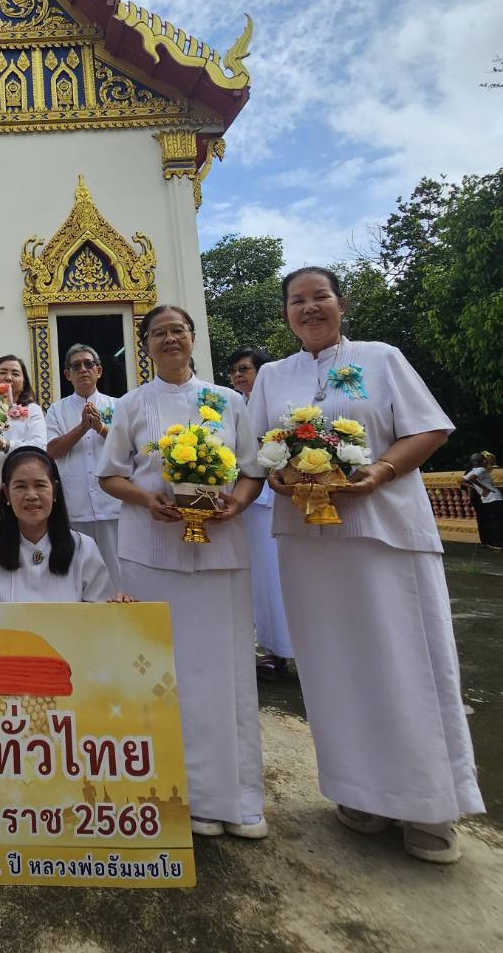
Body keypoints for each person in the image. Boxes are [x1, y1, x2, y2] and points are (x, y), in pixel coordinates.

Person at [248, 267, 484, 863]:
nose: (309, 309)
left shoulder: (382, 357)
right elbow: (257, 452)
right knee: (334, 665)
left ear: (341, 304)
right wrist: (279, 472)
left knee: (406, 661)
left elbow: (428, 428)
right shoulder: (275, 376)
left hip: (384, 532)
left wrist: (377, 473)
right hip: (310, 542)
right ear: (285, 315)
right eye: (296, 301)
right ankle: (361, 793)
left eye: (319, 297)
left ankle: (430, 806)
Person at [97, 304, 267, 840]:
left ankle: (235, 797)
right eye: (158, 333)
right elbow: (110, 474)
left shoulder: (230, 401)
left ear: (193, 338)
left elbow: (254, 470)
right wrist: (148, 500)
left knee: (225, 665)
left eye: (178, 331)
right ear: (144, 344)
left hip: (220, 549)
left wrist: (235, 505)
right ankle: (176, 791)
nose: (169, 340)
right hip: (152, 551)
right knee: (162, 669)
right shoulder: (131, 405)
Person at [0, 446, 120, 603]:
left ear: (54, 490)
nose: (31, 495)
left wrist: (120, 604)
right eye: (20, 486)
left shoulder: (83, 547)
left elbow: (100, 614)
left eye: (40, 485)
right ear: (6, 493)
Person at [228, 345, 294, 680]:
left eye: (245, 369)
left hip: (270, 497)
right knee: (254, 579)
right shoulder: (232, 403)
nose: (238, 375)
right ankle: (269, 648)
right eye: (234, 371)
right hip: (244, 501)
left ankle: (280, 650)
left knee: (273, 577)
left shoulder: (277, 405)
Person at [44, 343, 121, 582]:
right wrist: (81, 428)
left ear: (99, 371)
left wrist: (100, 427)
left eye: (89, 364)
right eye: (76, 366)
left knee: (116, 570)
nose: (83, 369)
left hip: (112, 503)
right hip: (75, 503)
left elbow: (128, 447)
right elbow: (51, 451)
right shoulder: (57, 410)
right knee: (80, 572)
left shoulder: (118, 406)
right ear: (67, 375)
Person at [0, 354, 47, 539]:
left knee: (19, 547)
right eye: (3, 372)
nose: (8, 377)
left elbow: (38, 447)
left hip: (22, 492)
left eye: (15, 373)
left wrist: (5, 445)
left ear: (24, 381)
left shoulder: (33, 410)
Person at [462, 452, 502, 551]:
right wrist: (484, 488)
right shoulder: (481, 469)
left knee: (484, 520)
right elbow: (470, 480)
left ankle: (486, 542)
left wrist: (473, 488)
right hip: (489, 497)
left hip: (481, 498)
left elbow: (462, 482)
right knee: (495, 521)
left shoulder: (471, 470)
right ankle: (496, 543)